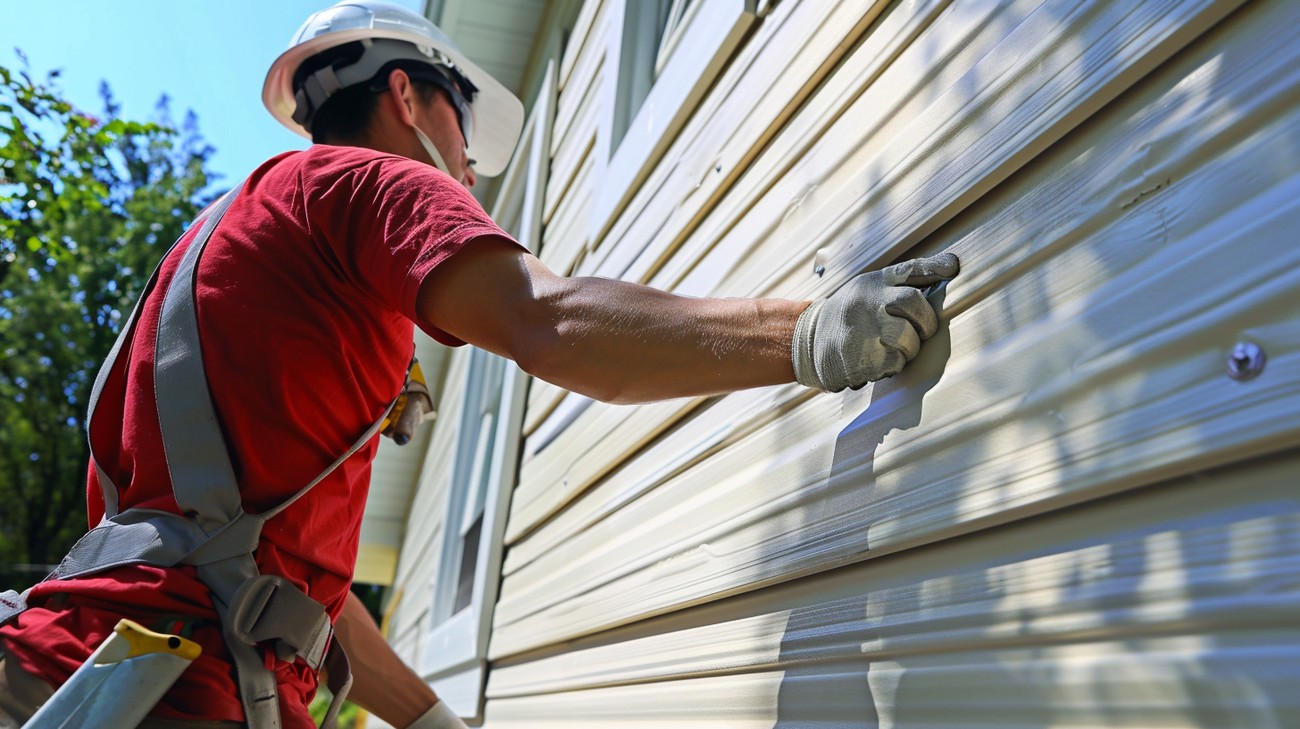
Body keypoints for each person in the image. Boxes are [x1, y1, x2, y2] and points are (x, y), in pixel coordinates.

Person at [0, 2, 959, 728]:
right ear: (407, 96)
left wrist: (430, 719)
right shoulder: (369, 183)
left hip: (70, 675)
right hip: (167, 700)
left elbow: (260, 583)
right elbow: (551, 319)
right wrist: (804, 330)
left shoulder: (215, 257)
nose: (468, 168)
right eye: (460, 125)